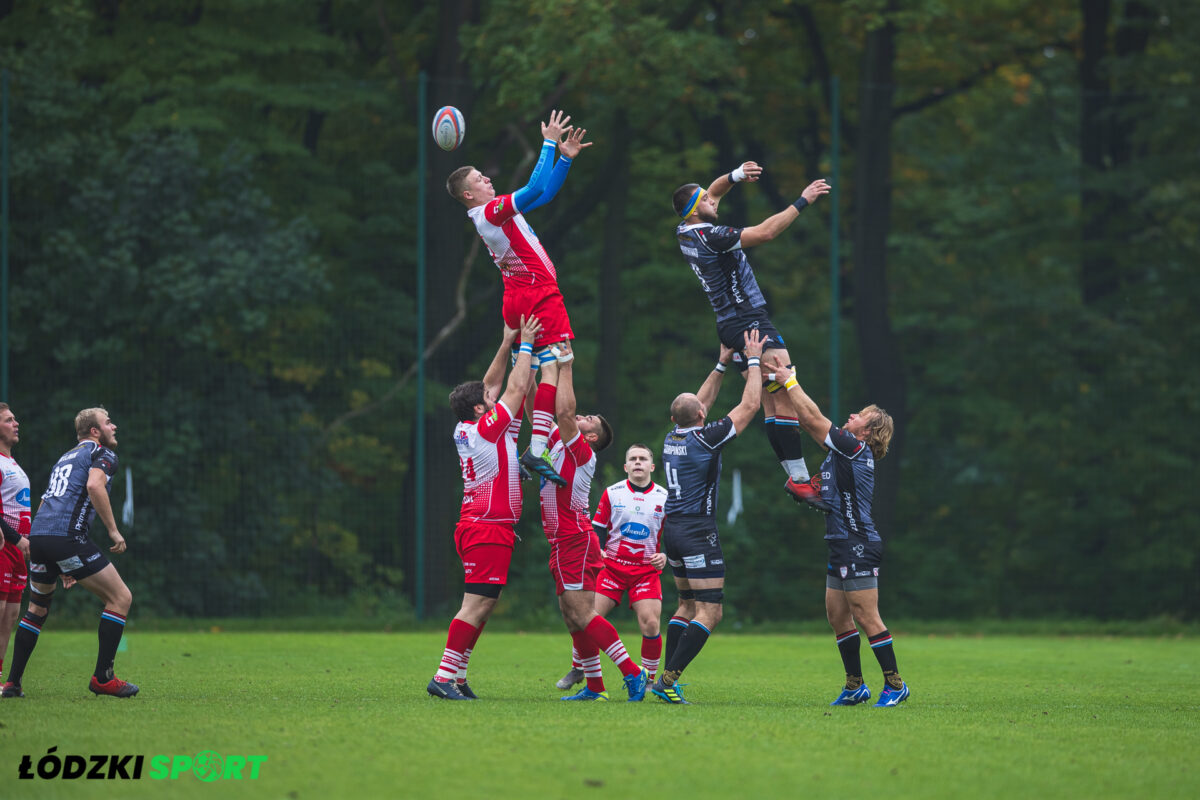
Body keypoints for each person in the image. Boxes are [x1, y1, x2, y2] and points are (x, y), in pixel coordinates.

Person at [672, 163, 832, 512]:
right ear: (695, 208)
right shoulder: (709, 236)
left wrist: (735, 175)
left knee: (773, 402)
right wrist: (802, 200)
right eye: (705, 199)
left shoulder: (685, 230)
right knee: (785, 396)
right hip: (749, 322)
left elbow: (712, 191)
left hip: (729, 325)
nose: (713, 200)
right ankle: (805, 475)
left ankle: (800, 478)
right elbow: (765, 233)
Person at [446, 110, 592, 486]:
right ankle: (540, 448)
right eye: (480, 178)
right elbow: (530, 190)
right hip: (536, 295)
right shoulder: (491, 212)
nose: (488, 178)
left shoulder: (493, 214)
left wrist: (564, 160)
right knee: (555, 367)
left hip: (519, 297)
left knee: (535, 374)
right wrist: (548, 143)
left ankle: (540, 447)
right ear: (468, 193)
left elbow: (541, 193)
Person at [773, 363, 907, 707]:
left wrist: (789, 380)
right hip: (840, 543)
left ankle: (895, 684)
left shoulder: (855, 448)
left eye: (860, 415)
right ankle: (855, 686)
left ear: (867, 432)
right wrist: (772, 392)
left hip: (858, 543)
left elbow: (814, 418)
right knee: (837, 616)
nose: (851, 415)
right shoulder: (839, 452)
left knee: (866, 616)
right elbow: (804, 420)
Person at [427, 315, 543, 700]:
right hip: (487, 526)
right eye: (488, 403)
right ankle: (443, 677)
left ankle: (457, 677)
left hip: (484, 525)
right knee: (475, 606)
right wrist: (526, 345)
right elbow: (512, 389)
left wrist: (506, 342)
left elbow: (491, 387)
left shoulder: (469, 426)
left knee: (483, 605)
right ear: (481, 410)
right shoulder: (486, 430)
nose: (494, 400)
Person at [650, 332, 764, 704]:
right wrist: (752, 360)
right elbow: (749, 407)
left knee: (685, 605)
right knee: (710, 611)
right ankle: (667, 679)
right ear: (701, 417)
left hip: (674, 531)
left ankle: (665, 682)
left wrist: (720, 363)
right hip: (699, 532)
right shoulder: (706, 439)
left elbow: (698, 405)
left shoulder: (671, 437)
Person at [533, 341, 648, 702]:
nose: (581, 416)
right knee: (572, 617)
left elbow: (565, 414)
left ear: (591, 437)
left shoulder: (581, 453)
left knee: (582, 613)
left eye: (589, 419)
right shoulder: (557, 439)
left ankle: (633, 673)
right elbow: (537, 404)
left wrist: (566, 365)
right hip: (561, 540)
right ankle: (595, 689)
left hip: (575, 539)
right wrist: (531, 361)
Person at [1, 408, 136, 699]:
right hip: (67, 538)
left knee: (36, 609)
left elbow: (48, 500)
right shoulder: (102, 454)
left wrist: (54, 557)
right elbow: (94, 485)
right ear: (95, 432)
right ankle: (103, 678)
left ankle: (12, 683)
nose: (115, 426)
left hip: (39, 537)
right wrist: (113, 531)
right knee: (120, 597)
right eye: (108, 422)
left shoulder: (65, 457)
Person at [555, 443, 669, 691]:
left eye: (642, 459)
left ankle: (648, 680)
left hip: (645, 571)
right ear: (626, 466)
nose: (638, 462)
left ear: (652, 466)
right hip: (612, 568)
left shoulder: (664, 496)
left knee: (650, 622)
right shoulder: (613, 492)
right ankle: (579, 669)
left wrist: (665, 555)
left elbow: (672, 533)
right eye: (633, 459)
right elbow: (597, 528)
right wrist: (599, 550)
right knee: (588, 618)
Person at [0, 404, 32, 686]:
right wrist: (15, 537)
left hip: (18, 550)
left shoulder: (13, 464)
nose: (16, 423)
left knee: (9, 617)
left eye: (15, 418)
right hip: (4, 547)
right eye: (9, 420)